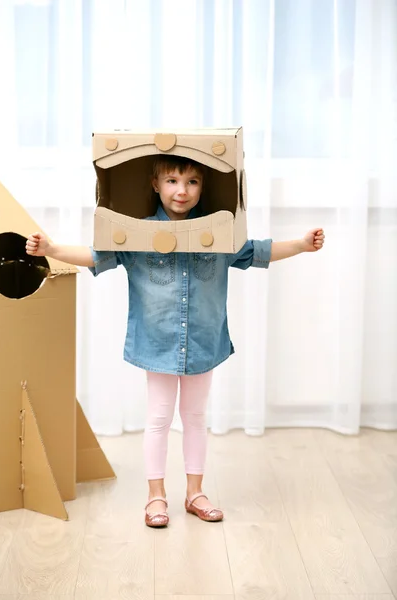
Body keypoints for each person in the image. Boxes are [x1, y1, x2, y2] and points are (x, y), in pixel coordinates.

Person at [26, 155, 325, 528]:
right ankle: (156, 497)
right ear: (155, 185)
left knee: (195, 417)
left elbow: (257, 252)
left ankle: (195, 492)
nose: (181, 191)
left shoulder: (218, 232)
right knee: (159, 417)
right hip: (158, 342)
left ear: (203, 187)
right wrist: (51, 250)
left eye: (192, 182)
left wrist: (300, 244)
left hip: (203, 341)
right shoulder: (136, 232)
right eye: (171, 181)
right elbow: (96, 254)